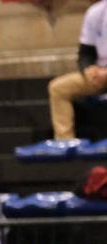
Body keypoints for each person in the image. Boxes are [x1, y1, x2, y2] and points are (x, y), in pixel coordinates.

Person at [49, 1, 107, 141]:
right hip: (99, 76)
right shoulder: (96, 12)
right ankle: (65, 142)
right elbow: (85, 53)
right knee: (58, 88)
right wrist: (89, 69)